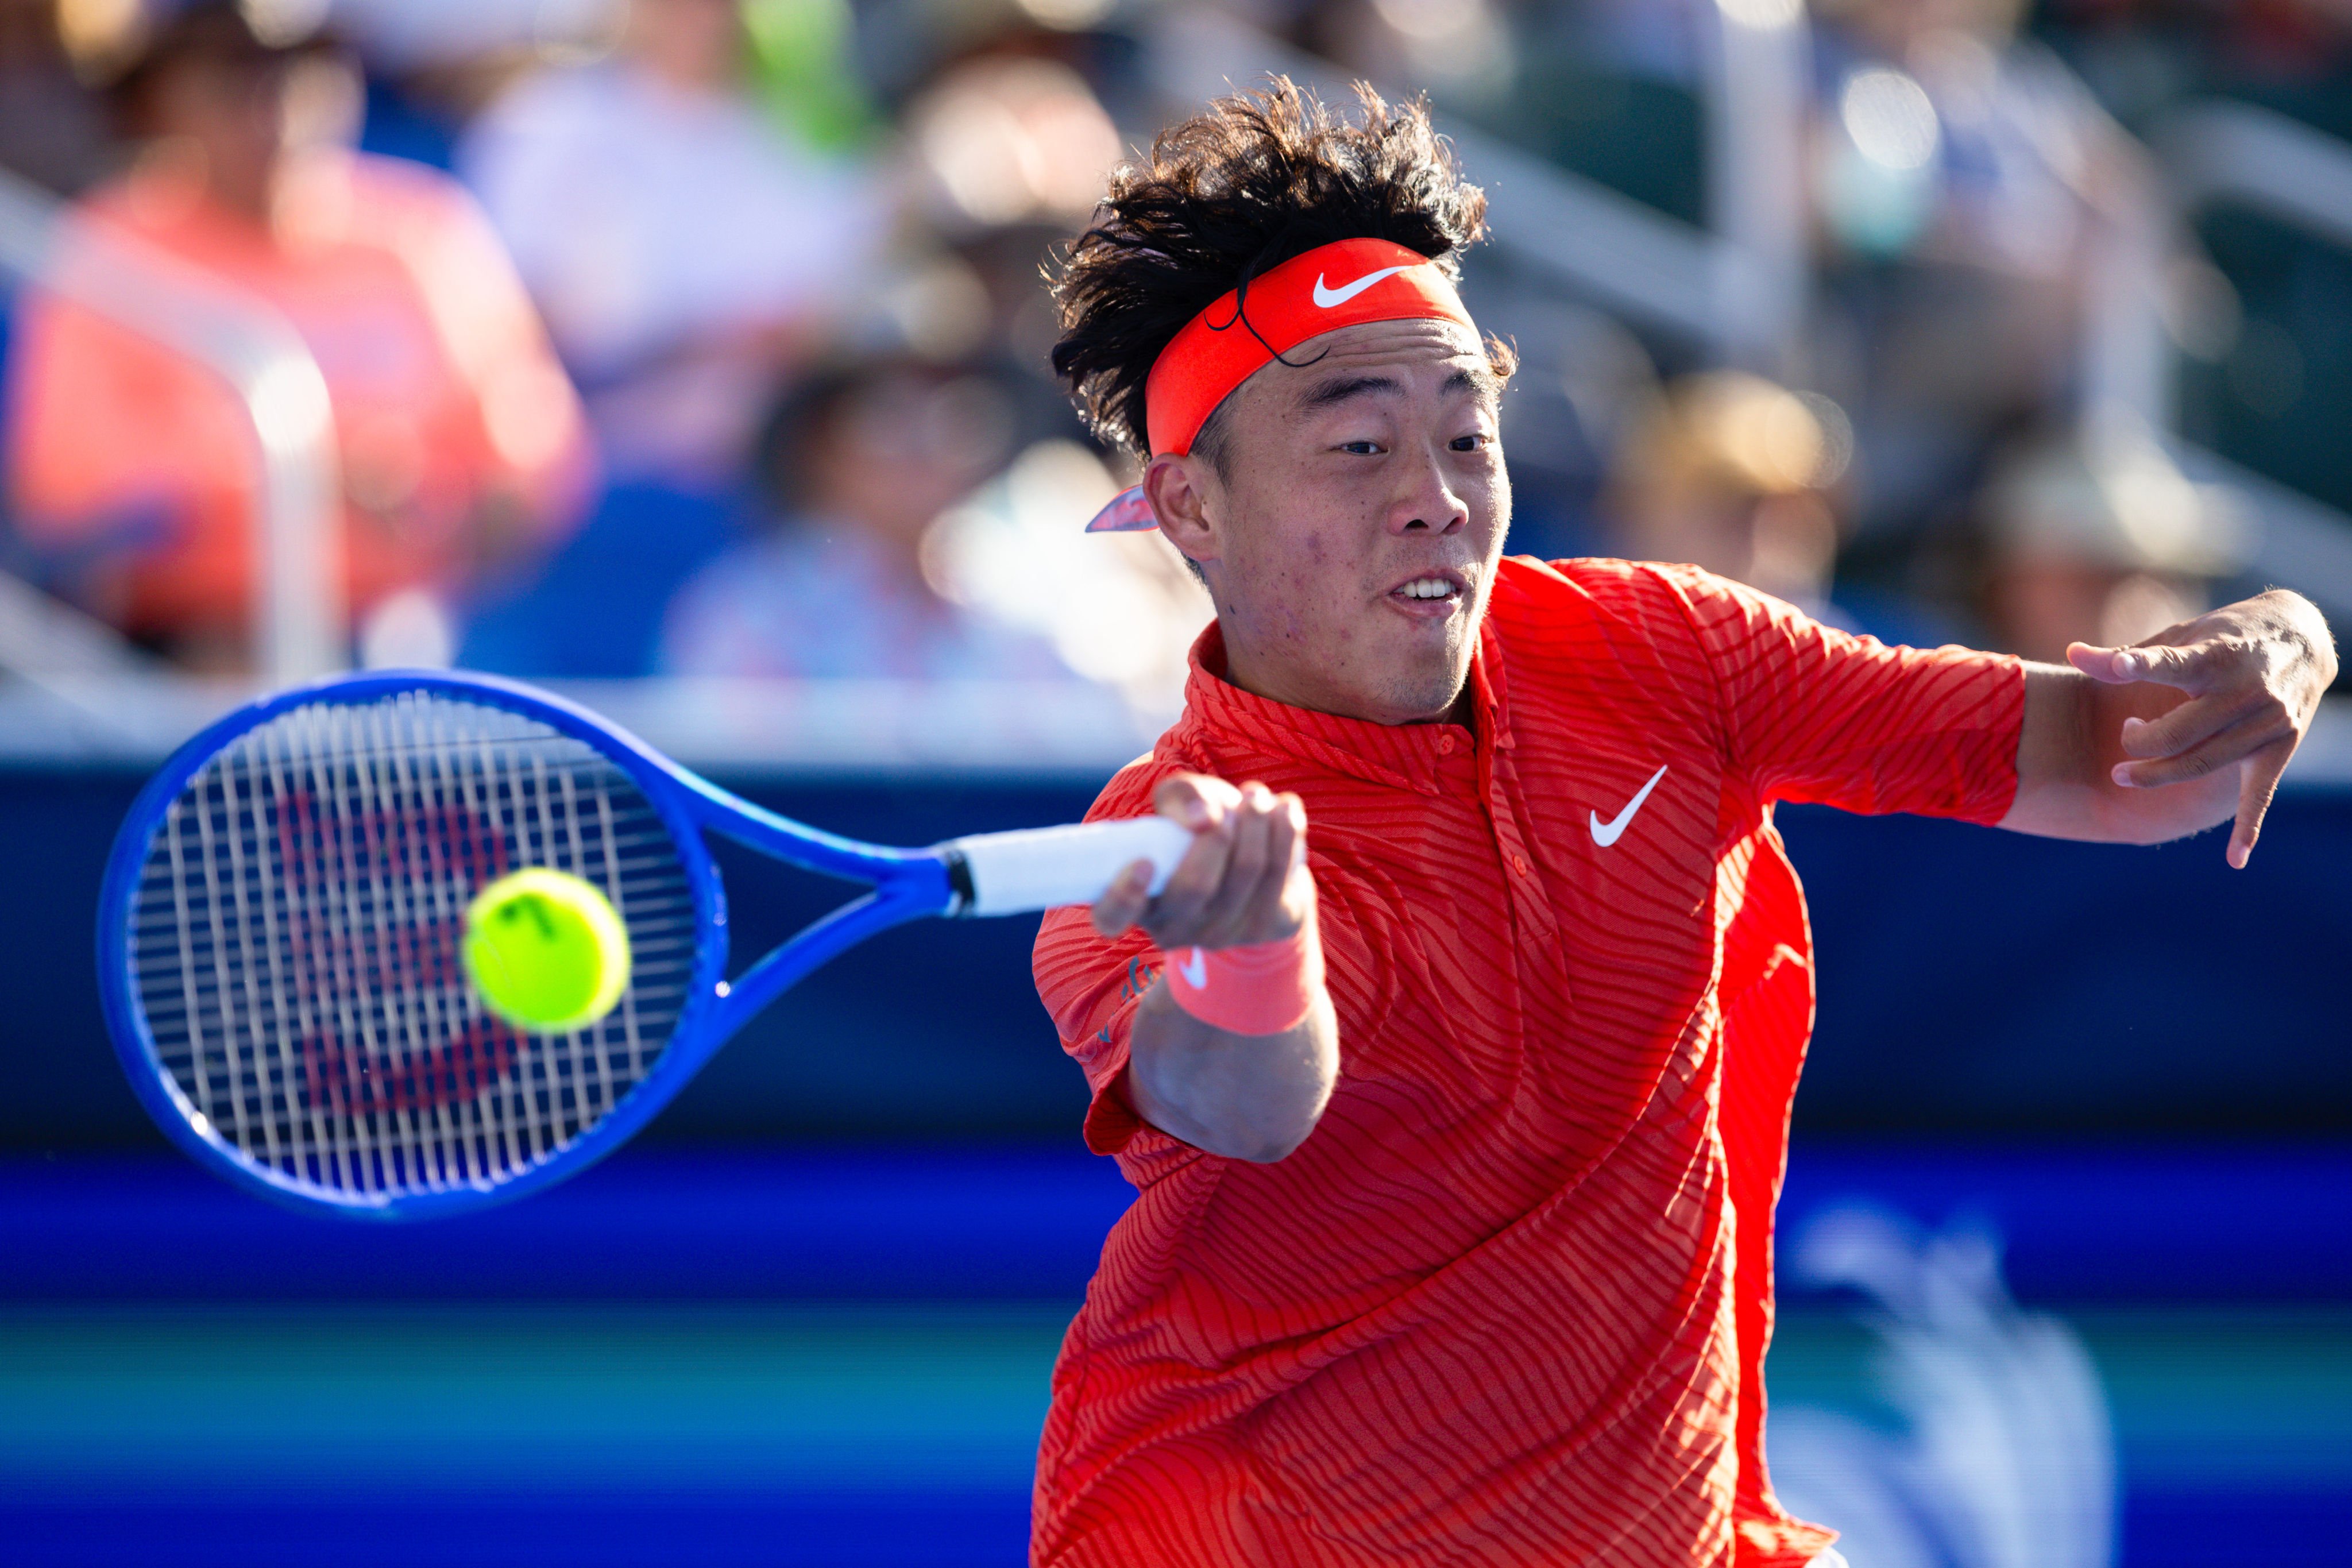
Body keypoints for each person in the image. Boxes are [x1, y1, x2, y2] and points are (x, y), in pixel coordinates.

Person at [1029, 80, 2334, 1567]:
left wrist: (2282, 636)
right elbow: (1238, 1106)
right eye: (1355, 448)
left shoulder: (1662, 651)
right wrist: (1250, 952)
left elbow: (2129, 764)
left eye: (1465, 438)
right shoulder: (1149, 846)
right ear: (1187, 507)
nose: (1435, 499)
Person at [5, 0, 589, 670]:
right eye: (232, 75)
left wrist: (432, 495)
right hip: (184, 654)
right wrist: (304, 471)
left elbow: (533, 454)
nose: (272, 105)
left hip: (406, 648)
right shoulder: (111, 249)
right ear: (162, 98)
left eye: (299, 69)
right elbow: (64, 481)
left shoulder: (421, 233)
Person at [458, 0, 882, 484]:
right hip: (558, 399)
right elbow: (504, 308)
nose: (693, 16)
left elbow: (799, 322)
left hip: (727, 416)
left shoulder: (805, 142)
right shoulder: (543, 121)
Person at [659, 358, 1071, 681]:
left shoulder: (1028, 596)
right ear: (820, 447)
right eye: (889, 412)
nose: (927, 439)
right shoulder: (746, 611)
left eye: (959, 407)